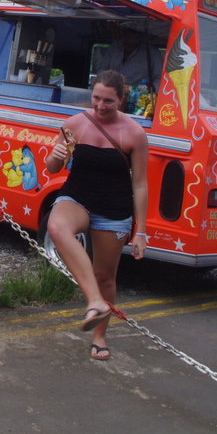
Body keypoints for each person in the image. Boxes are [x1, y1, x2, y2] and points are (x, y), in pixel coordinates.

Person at [44, 70, 148, 361]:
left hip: (114, 208)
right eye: (96, 98)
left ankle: (100, 336)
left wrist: (141, 231)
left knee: (105, 276)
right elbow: (52, 168)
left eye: (109, 101)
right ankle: (94, 302)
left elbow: (140, 184)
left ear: (121, 100)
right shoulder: (75, 124)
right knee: (57, 227)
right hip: (77, 196)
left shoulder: (134, 133)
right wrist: (57, 154)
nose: (101, 106)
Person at [97, 24, 162, 87]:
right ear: (124, 35)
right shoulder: (114, 47)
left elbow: (159, 76)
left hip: (139, 92)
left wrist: (153, 89)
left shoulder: (153, 53)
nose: (133, 41)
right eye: (130, 37)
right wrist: (105, 84)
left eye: (137, 37)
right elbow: (103, 69)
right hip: (112, 90)